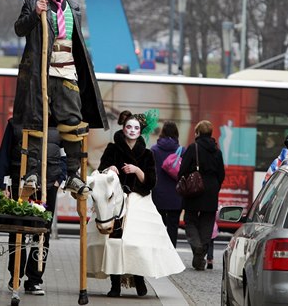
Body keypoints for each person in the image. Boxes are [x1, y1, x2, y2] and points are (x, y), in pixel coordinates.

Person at [12, 0, 108, 194]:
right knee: (37, 120)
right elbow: (19, 29)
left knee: (73, 121)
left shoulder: (73, 7)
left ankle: (74, 174)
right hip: (41, 72)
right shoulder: (34, 1)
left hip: (67, 69)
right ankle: (32, 172)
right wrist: (35, 13)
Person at [96, 110, 184, 297]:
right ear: (123, 127)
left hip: (138, 200)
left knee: (137, 242)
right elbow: (101, 170)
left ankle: (139, 279)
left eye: (136, 127)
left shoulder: (147, 154)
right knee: (113, 242)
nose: (132, 130)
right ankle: (115, 285)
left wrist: (136, 170)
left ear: (141, 130)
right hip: (115, 201)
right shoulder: (112, 148)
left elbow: (151, 182)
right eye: (129, 126)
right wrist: (108, 168)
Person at [0, 118, 66, 296]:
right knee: (17, 230)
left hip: (49, 185)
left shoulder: (59, 126)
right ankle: (15, 275)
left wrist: (60, 178)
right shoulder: (15, 124)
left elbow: (66, 154)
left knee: (42, 232)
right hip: (21, 182)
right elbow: (5, 153)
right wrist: (2, 186)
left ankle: (34, 280)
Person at [178, 120, 225, 271]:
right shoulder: (217, 151)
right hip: (211, 190)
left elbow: (183, 170)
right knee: (207, 222)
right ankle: (199, 259)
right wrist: (214, 187)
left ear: (197, 133)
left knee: (190, 220)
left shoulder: (193, 148)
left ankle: (197, 247)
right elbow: (221, 174)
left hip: (194, 189)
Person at [150, 121, 184, 247]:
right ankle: (171, 252)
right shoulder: (181, 150)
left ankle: (159, 249)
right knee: (173, 226)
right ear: (176, 133)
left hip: (158, 194)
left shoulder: (154, 150)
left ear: (162, 132)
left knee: (158, 225)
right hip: (176, 196)